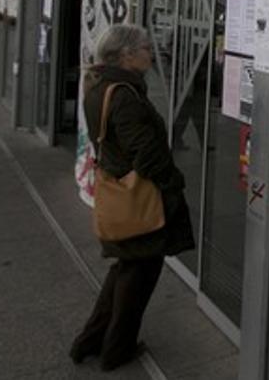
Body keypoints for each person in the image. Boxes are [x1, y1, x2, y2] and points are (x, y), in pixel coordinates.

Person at [70, 24, 195, 371]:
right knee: (138, 276)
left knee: (126, 269)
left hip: (118, 186)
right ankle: (116, 348)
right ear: (126, 55)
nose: (149, 53)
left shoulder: (99, 83)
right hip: (139, 197)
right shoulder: (123, 94)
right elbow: (147, 152)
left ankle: (90, 340)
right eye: (144, 48)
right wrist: (173, 181)